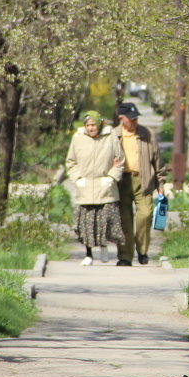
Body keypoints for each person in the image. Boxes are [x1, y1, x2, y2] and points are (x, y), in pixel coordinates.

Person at [64, 111, 125, 266]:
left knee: (104, 220)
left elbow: (120, 160)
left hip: (105, 186)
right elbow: (71, 162)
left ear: (99, 124)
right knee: (87, 223)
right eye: (88, 125)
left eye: (93, 125)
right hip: (85, 187)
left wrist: (111, 178)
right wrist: (77, 178)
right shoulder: (78, 138)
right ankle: (89, 253)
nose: (91, 128)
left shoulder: (110, 136)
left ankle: (104, 248)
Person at [114, 101, 166, 266]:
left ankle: (142, 251)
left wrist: (161, 183)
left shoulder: (146, 134)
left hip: (143, 180)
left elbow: (157, 160)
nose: (134, 121)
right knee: (124, 221)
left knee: (144, 215)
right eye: (131, 119)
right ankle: (125, 256)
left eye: (136, 118)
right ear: (121, 118)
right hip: (121, 182)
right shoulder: (113, 135)